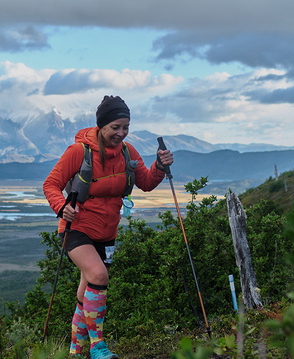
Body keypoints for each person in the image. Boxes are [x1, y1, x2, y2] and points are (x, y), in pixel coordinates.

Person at [43, 95, 174, 359]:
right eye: (116, 127)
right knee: (100, 276)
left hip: (107, 233)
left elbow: (146, 182)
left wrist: (159, 166)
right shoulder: (78, 151)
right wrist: (61, 207)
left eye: (125, 127)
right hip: (76, 228)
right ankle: (97, 347)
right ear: (101, 125)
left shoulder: (128, 152)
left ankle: (74, 351)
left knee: (87, 289)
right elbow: (50, 184)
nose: (121, 133)